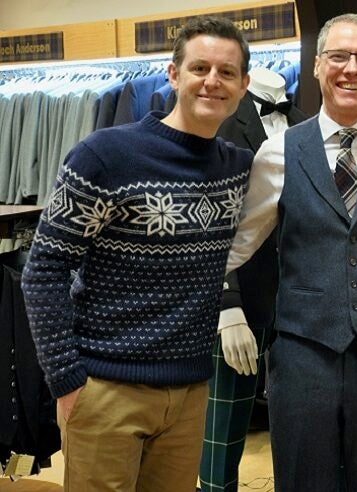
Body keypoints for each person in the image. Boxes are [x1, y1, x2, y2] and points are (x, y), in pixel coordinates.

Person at [20, 16, 252, 491]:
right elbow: (43, 269)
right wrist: (65, 379)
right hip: (107, 388)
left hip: (189, 393)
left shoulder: (239, 168)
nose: (213, 81)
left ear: (245, 85)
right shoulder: (104, 157)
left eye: (227, 72)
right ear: (173, 74)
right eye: (200, 68)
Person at [225, 13, 357, 491]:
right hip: (302, 357)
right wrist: (225, 305)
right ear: (318, 66)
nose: (352, 69)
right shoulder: (277, 152)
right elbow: (236, 246)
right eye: (339, 56)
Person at [199, 66, 306, 492]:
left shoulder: (307, 125)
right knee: (221, 436)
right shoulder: (219, 124)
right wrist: (228, 307)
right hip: (238, 302)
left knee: (303, 431)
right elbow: (208, 226)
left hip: (302, 306)